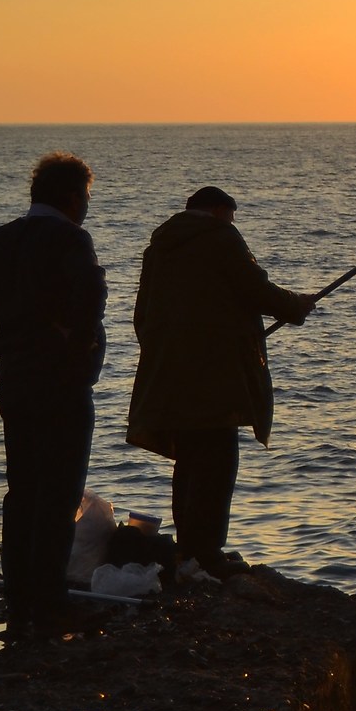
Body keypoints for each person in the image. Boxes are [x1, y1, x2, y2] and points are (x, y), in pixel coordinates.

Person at [0, 151, 108, 634]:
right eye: (87, 197)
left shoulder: (0, 240)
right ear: (73, 198)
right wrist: (78, 345)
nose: (88, 205)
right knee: (58, 493)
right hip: (61, 384)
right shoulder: (71, 239)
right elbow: (91, 296)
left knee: (24, 491)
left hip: (15, 381)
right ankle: (50, 604)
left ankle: (20, 599)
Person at [125, 186, 314, 576]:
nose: (233, 224)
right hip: (213, 380)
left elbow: (143, 313)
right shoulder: (220, 237)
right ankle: (207, 551)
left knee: (190, 461)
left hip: (170, 375)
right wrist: (296, 305)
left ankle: (189, 548)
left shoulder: (159, 247)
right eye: (231, 217)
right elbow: (254, 289)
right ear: (216, 211)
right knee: (218, 459)